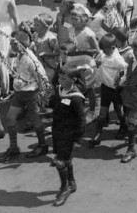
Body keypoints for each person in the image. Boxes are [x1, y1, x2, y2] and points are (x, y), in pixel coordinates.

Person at [0, 31, 51, 163]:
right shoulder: (20, 55)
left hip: (31, 94)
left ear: (19, 45)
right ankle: (14, 147)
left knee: (35, 120)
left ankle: (42, 145)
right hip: (19, 93)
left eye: (12, 43)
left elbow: (41, 76)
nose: (10, 45)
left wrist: (41, 95)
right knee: (10, 118)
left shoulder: (30, 60)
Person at [49, 68, 87, 206]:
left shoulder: (76, 98)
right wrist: (47, 99)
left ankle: (64, 188)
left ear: (73, 79)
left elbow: (81, 120)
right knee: (66, 159)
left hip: (68, 135)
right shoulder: (60, 90)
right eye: (59, 78)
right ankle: (71, 183)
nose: (60, 81)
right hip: (57, 131)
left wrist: (78, 138)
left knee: (60, 162)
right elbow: (53, 105)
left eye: (64, 79)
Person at [90, 34, 128, 147]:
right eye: (103, 50)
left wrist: (121, 80)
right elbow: (95, 63)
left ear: (113, 47)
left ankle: (123, 127)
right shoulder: (102, 55)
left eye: (106, 49)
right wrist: (95, 64)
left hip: (116, 89)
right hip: (105, 87)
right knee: (102, 112)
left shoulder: (117, 59)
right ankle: (97, 134)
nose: (104, 52)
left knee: (118, 110)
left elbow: (125, 70)